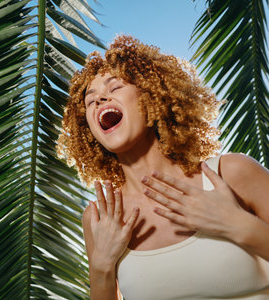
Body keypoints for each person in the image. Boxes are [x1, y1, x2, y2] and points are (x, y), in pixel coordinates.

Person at [57, 35, 269, 299]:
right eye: (91, 101)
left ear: (151, 96)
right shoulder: (102, 219)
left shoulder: (232, 174)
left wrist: (238, 224)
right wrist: (101, 268)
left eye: (114, 88)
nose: (99, 100)